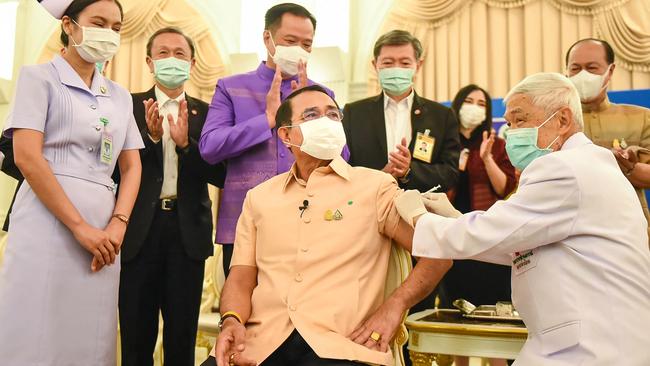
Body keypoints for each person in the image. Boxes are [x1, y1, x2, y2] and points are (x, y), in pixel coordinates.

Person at [398, 72, 650, 365]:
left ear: (563, 120)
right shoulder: (588, 164)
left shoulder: (563, 169)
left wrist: (418, 216)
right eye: (509, 123)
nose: (512, 132)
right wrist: (453, 216)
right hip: (598, 338)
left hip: (590, 347)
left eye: (520, 120)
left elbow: (497, 232)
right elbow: (519, 241)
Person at [202, 85, 451, 366]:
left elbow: (438, 252)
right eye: (311, 115)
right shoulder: (259, 197)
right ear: (286, 134)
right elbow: (241, 276)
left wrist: (394, 307)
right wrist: (232, 320)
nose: (326, 122)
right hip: (261, 343)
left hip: (342, 345)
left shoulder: (375, 187)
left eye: (333, 115)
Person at [0, 1, 144, 365]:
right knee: (37, 325)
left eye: (115, 27)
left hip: (105, 231)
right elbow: (26, 157)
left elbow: (131, 167)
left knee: (91, 333)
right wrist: (79, 227)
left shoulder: (120, 96)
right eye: (98, 23)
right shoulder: (38, 78)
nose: (108, 34)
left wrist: (118, 223)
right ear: (69, 24)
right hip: (47, 220)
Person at [199, 3, 346, 277]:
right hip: (245, 223)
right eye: (290, 41)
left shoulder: (322, 94)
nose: (299, 50)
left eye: (306, 44)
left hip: (310, 222)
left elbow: (343, 156)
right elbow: (210, 147)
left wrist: (310, 114)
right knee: (241, 310)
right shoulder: (230, 87)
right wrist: (266, 120)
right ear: (268, 38)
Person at [118, 27, 226, 366]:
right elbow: (115, 170)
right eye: (163, 53)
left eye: (180, 53)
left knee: (181, 340)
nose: (172, 60)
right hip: (138, 233)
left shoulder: (209, 113)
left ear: (192, 63)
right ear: (149, 61)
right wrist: (151, 140)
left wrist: (184, 145)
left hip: (187, 235)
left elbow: (219, 174)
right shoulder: (127, 105)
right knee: (136, 337)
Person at [443, 84, 517, 366]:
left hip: (488, 239)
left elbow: (504, 188)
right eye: (469, 101)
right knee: (458, 313)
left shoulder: (497, 144)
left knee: (492, 311)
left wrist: (486, 159)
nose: (474, 107)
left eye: (481, 103)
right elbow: (438, 190)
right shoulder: (445, 143)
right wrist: (457, 168)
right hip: (454, 238)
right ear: (458, 104)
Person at [343, 30, 459, 193]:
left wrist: (409, 171)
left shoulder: (442, 116)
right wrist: (378, 178)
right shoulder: (353, 114)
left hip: (423, 212)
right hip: (368, 209)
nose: (396, 69)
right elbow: (342, 168)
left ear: (418, 65)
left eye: (405, 63)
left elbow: (451, 173)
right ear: (375, 65)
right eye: (388, 63)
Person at [565, 38, 650, 242]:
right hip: (571, 234)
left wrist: (629, 167)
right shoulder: (556, 122)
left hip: (631, 233)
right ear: (565, 72)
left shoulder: (641, 117)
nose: (582, 75)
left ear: (610, 71)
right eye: (575, 68)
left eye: (592, 68)